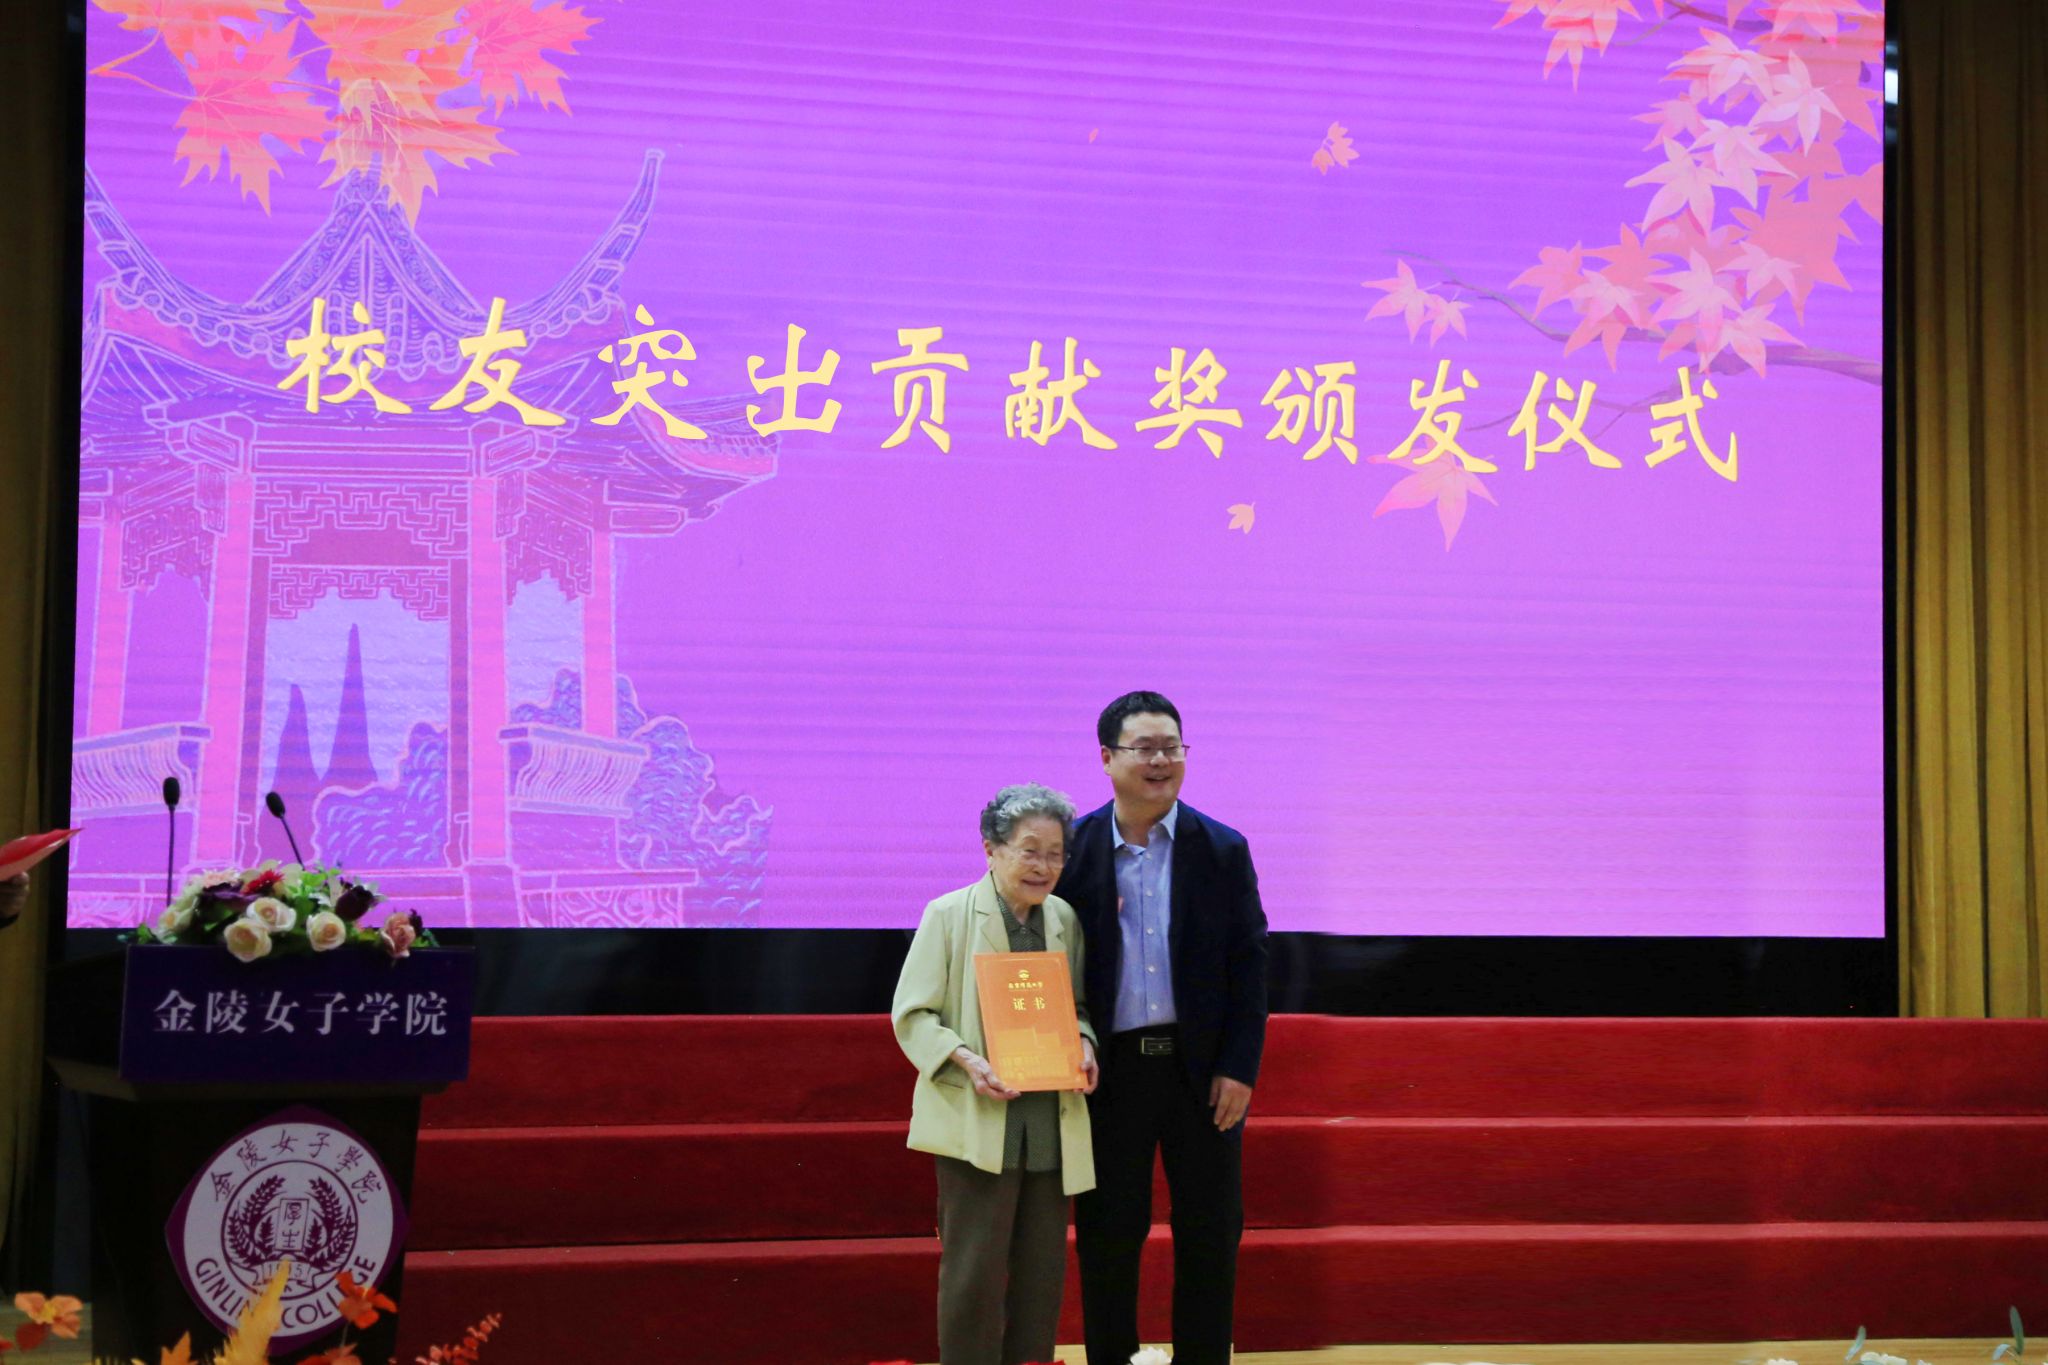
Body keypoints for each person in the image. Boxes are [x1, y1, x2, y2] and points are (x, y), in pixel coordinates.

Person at [1056, 691, 1269, 1365]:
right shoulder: (1073, 850)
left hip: (1200, 1072)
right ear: (1107, 757)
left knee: (1211, 1230)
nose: (1160, 761)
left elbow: (1250, 965)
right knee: (1107, 1231)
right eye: (1144, 748)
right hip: (1108, 1072)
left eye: (1171, 747)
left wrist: (1239, 1066)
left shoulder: (1222, 848)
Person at [892, 782, 1102, 1365]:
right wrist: (965, 1058)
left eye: (1056, 854)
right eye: (1030, 850)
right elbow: (913, 1015)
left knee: (1041, 1277)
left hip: (1049, 1122)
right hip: (978, 1115)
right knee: (974, 1277)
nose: (1044, 866)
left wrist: (1085, 1044)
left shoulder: (1063, 919)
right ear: (991, 848)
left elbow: (1078, 1008)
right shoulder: (948, 914)